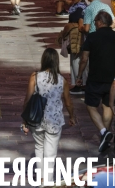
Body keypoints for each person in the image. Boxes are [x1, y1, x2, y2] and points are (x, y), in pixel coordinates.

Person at [76, 11, 115, 153]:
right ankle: (106, 136)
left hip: (95, 78)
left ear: (100, 22)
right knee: (107, 106)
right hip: (114, 79)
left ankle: (104, 132)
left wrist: (79, 76)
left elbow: (84, 59)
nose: (94, 23)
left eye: (95, 21)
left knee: (91, 106)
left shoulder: (92, 37)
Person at [23, 48, 76, 184]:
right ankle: (48, 182)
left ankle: (41, 180)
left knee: (39, 148)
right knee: (50, 154)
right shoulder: (62, 80)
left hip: (37, 119)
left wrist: (25, 120)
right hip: (55, 120)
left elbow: (27, 99)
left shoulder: (35, 76)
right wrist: (72, 116)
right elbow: (68, 102)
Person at [60, 0, 88, 94]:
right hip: (74, 36)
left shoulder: (80, 9)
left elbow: (81, 25)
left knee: (77, 60)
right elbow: (69, 2)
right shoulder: (75, 6)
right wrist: (62, 0)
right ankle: (79, 83)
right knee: (74, 60)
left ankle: (80, 84)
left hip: (78, 37)